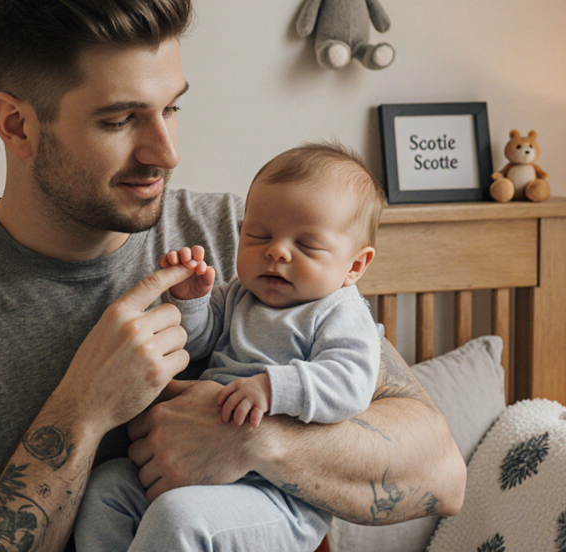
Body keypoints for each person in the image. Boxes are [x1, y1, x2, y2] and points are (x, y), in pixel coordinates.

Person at [0, 0, 466, 552]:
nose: (166, 153)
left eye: (170, 109)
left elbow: (442, 474)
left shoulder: (249, 239)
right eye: (120, 120)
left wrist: (257, 441)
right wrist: (83, 410)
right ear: (17, 124)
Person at [75, 142, 385, 551]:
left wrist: (273, 388)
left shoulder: (339, 312)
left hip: (278, 497)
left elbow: (351, 383)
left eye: (306, 246)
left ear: (355, 266)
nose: (276, 251)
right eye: (258, 236)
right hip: (204, 479)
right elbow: (197, 341)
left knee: (177, 519)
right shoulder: (240, 294)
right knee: (106, 488)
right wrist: (190, 300)